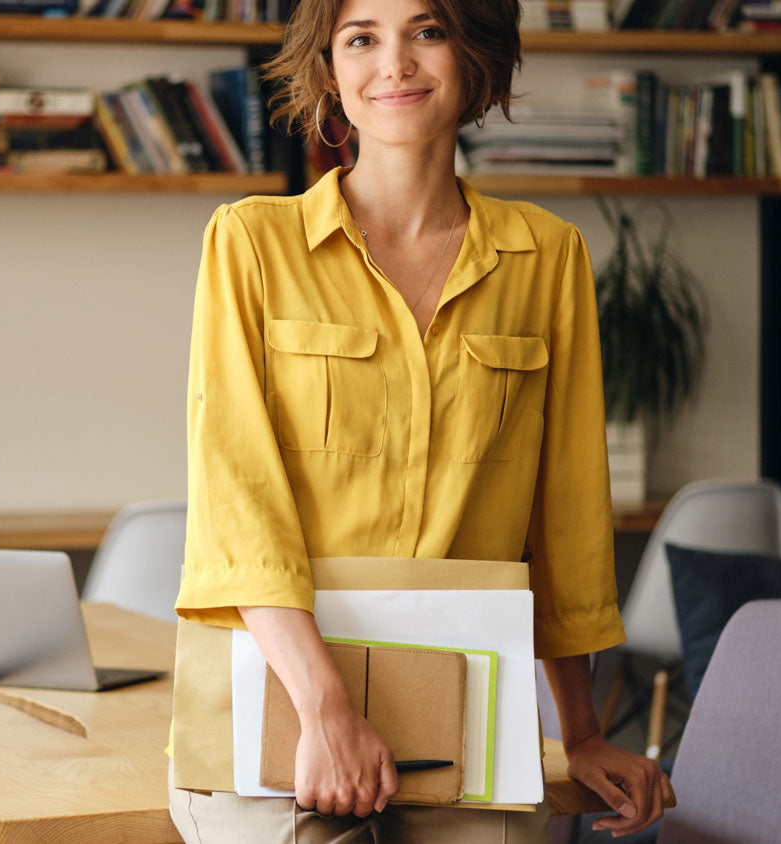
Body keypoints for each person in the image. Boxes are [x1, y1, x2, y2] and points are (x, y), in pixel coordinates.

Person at [168, 0, 675, 839]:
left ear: (475, 58)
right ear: (330, 70)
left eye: (427, 31)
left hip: (471, 719)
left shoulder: (549, 258)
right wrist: (328, 710)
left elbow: (568, 516)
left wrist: (579, 730)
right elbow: (237, 500)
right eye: (362, 38)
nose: (394, 62)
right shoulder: (250, 244)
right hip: (283, 699)